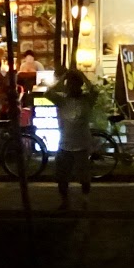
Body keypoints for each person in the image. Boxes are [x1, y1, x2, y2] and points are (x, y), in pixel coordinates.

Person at [45, 69, 99, 210]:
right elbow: (48, 93)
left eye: (74, 85)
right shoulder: (62, 100)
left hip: (82, 144)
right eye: (69, 85)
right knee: (62, 176)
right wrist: (63, 77)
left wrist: (83, 76)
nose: (71, 88)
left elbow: (95, 90)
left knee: (84, 176)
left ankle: (85, 200)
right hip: (65, 144)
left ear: (79, 86)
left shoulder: (87, 100)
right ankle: (65, 201)